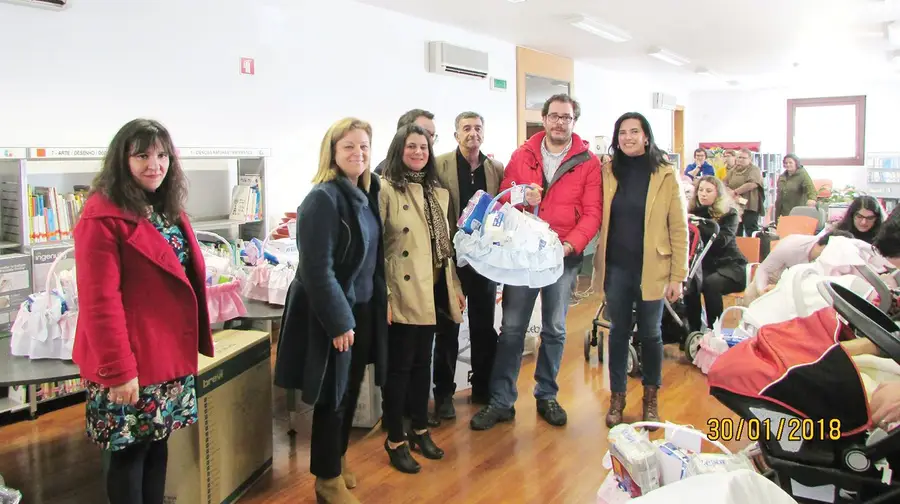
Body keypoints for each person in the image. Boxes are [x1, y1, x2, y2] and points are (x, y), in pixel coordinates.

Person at [72, 118, 213, 504]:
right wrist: (119, 371)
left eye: (162, 154)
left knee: (157, 446)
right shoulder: (102, 216)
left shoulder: (166, 209)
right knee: (128, 455)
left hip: (166, 356)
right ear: (122, 160)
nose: (155, 164)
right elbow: (100, 302)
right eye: (142, 155)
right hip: (129, 361)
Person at [469, 93, 601, 431]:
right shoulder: (522, 154)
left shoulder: (588, 162)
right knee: (512, 329)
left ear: (574, 122)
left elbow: (592, 212)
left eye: (566, 117)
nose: (559, 122)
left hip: (562, 257)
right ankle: (501, 402)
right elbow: (504, 195)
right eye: (554, 116)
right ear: (544, 119)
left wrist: (572, 245)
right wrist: (520, 194)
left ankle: (547, 395)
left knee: (555, 329)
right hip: (522, 256)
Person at [273, 118, 387, 504]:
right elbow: (316, 269)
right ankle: (325, 481)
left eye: (365, 146)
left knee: (350, 392)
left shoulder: (363, 193)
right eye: (349, 147)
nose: (358, 154)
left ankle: (336, 460)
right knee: (332, 400)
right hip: (333, 313)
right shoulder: (322, 198)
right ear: (333, 153)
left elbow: (371, 258)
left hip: (363, 308)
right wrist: (339, 322)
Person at [592, 112, 689, 428]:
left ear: (647, 136)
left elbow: (678, 228)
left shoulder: (664, 174)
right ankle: (617, 398)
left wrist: (678, 275)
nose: (628, 137)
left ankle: (650, 399)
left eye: (635, 131)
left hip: (654, 269)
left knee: (650, 334)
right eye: (622, 132)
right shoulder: (608, 172)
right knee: (618, 333)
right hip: (617, 268)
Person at [379, 123, 465, 474]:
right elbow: (377, 249)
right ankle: (395, 438)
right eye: (411, 146)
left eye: (424, 148)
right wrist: (383, 296)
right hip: (401, 289)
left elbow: (445, 249)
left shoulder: (437, 192)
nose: (418, 153)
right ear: (399, 149)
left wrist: (455, 288)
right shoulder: (384, 189)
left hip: (432, 288)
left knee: (422, 366)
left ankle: (419, 428)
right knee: (399, 368)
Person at [432, 111, 505, 419]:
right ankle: (444, 393)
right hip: (452, 260)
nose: (472, 133)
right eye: (466, 128)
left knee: (483, 327)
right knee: (449, 326)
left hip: (483, 261)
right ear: (456, 135)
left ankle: (482, 388)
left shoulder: (495, 168)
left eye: (477, 128)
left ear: (484, 134)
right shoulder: (440, 165)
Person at [685, 176, 748, 332]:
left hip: (731, 266)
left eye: (708, 191)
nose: (703, 194)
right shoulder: (693, 214)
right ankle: (693, 331)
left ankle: (715, 331)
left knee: (710, 283)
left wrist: (701, 226)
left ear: (718, 193)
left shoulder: (729, 214)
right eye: (700, 190)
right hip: (704, 266)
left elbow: (721, 241)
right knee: (689, 285)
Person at [744, 230, 853, 303]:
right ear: (823, 246)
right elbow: (763, 270)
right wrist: (762, 291)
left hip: (799, 291)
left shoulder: (837, 262)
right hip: (771, 281)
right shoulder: (791, 247)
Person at [373, 109, 437, 175]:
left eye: (432, 135)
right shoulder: (383, 174)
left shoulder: (435, 174)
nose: (431, 141)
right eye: (425, 132)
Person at [723, 148, 765, 236]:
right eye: (738, 157)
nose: (740, 160)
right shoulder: (733, 170)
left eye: (743, 158)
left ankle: (754, 249)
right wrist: (730, 192)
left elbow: (753, 183)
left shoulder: (754, 170)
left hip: (749, 206)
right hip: (736, 205)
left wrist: (735, 192)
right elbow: (723, 183)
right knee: (736, 230)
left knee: (751, 230)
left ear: (750, 159)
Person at [773, 153, 817, 223]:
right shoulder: (782, 176)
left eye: (790, 162)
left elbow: (810, 189)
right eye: (786, 163)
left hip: (796, 211)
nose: (788, 164)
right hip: (781, 211)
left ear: (796, 163)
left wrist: (812, 199)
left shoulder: (803, 175)